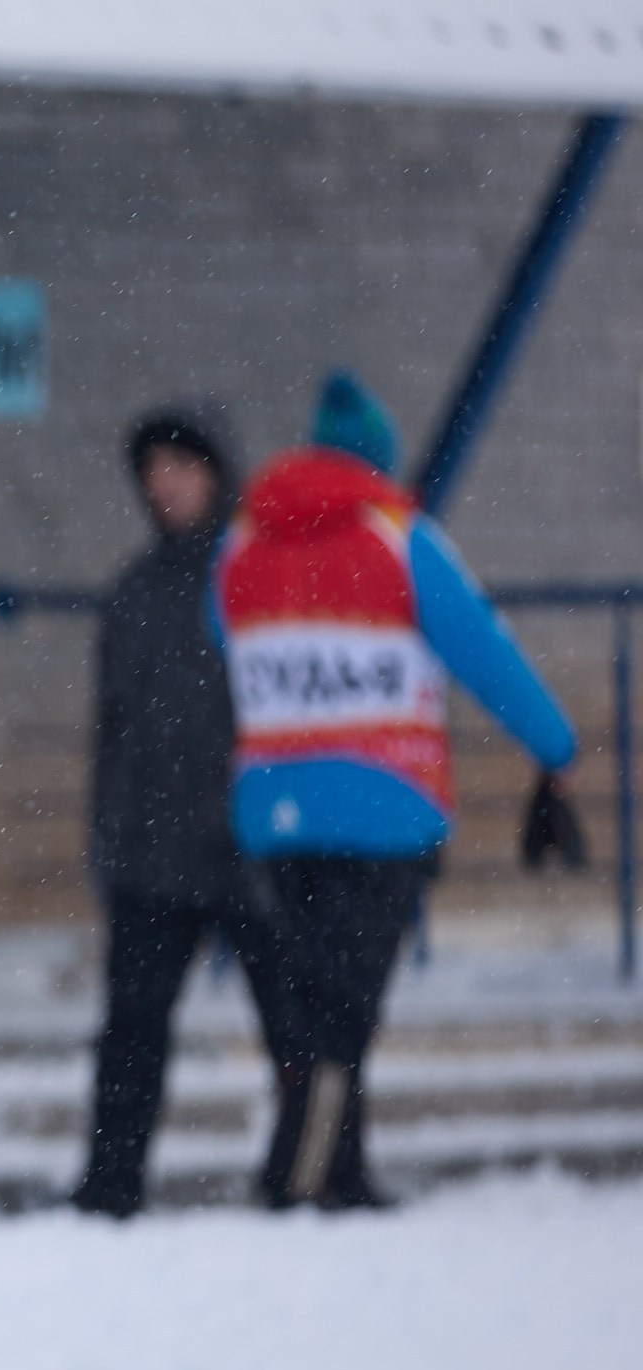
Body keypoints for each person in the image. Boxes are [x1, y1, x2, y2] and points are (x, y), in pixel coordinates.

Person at [214, 370, 577, 1209]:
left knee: (309, 996)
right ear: (377, 460)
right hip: (383, 805)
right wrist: (554, 744)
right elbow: (484, 650)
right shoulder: (399, 535)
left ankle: (325, 1167)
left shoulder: (241, 542)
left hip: (271, 807)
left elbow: (218, 631)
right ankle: (309, 1179)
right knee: (344, 1005)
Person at [71, 404, 294, 1218]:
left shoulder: (260, 578)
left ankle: (305, 1176)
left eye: (182, 467)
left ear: (218, 471)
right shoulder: (134, 591)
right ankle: (110, 1185)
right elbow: (112, 733)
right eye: (153, 471)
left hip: (253, 845)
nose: (165, 485)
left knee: (295, 1027)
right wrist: (107, 841)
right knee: (131, 1033)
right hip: (153, 857)